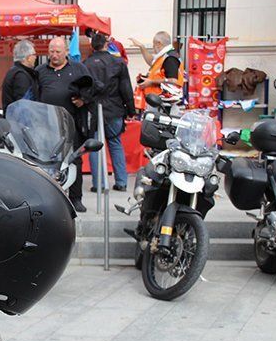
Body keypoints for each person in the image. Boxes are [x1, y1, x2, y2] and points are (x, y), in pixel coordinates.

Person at [35, 36, 91, 212]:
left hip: (71, 124)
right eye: (51, 51)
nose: (54, 55)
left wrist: (83, 99)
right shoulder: (40, 71)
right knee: (45, 162)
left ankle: (76, 198)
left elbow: (92, 89)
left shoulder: (78, 69)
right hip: (46, 125)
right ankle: (49, 197)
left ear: (66, 51)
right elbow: (34, 95)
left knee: (74, 160)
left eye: (58, 51)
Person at [84, 34, 136, 192]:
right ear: (106, 45)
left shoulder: (85, 64)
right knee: (115, 143)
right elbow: (126, 88)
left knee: (94, 146)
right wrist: (131, 110)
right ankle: (121, 182)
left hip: (93, 109)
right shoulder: (118, 63)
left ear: (92, 46)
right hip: (114, 108)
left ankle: (98, 184)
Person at [129, 31, 184, 113]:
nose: (153, 47)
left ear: (159, 43)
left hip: (165, 107)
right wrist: (142, 47)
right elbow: (151, 62)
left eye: (153, 44)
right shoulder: (163, 56)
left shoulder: (170, 58)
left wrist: (151, 82)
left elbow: (173, 80)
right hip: (158, 104)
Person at [1, 40, 38, 112]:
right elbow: (24, 105)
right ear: (28, 57)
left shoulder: (15, 71)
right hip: (19, 121)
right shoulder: (21, 76)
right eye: (34, 55)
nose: (35, 57)